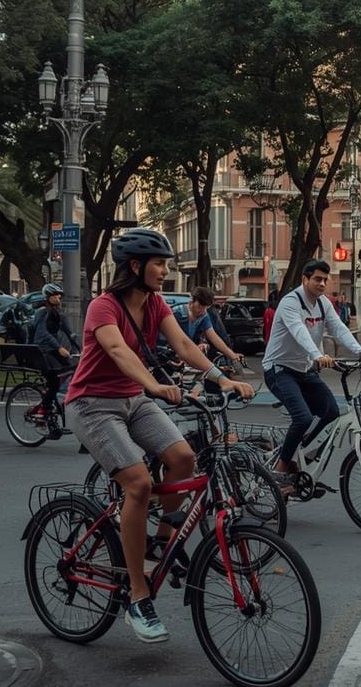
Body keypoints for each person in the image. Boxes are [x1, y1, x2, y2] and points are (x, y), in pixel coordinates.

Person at [64, 228, 253, 643]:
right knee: (139, 484)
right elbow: (117, 351)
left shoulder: (155, 304)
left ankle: (160, 544)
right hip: (92, 404)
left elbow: (184, 344)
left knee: (184, 459)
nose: (166, 272)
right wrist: (152, 384)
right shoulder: (103, 306)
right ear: (136, 267)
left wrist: (221, 378)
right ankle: (137, 595)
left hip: (134, 400)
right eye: (159, 264)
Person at [262, 259, 361, 485]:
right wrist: (318, 355)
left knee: (331, 412)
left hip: (305, 369)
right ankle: (282, 464)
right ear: (305, 279)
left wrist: (360, 351)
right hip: (279, 369)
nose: (322, 283)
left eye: (325, 279)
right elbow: (298, 331)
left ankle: (302, 450)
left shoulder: (323, 303)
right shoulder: (290, 303)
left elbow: (339, 329)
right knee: (303, 417)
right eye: (317, 279)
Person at [31, 282, 80, 431]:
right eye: (55, 295)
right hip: (42, 351)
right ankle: (44, 409)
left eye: (60, 295)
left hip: (52, 350)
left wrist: (81, 347)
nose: (59, 298)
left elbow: (69, 332)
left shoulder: (58, 312)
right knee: (54, 382)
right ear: (48, 297)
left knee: (72, 368)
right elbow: (42, 333)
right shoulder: (42, 312)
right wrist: (59, 347)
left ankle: (59, 402)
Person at [183, 287, 245, 368]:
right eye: (200, 306)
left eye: (206, 307)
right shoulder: (179, 314)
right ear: (192, 301)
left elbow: (214, 337)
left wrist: (232, 355)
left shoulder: (204, 316)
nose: (202, 311)